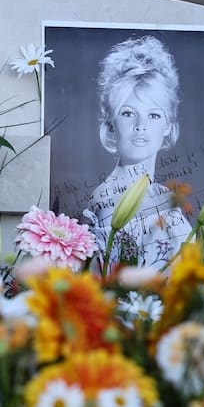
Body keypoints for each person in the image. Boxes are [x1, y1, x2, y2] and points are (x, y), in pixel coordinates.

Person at [83, 35, 193, 268]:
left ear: (168, 127)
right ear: (110, 127)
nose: (140, 125)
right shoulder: (100, 203)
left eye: (153, 115)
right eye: (128, 113)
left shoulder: (171, 206)